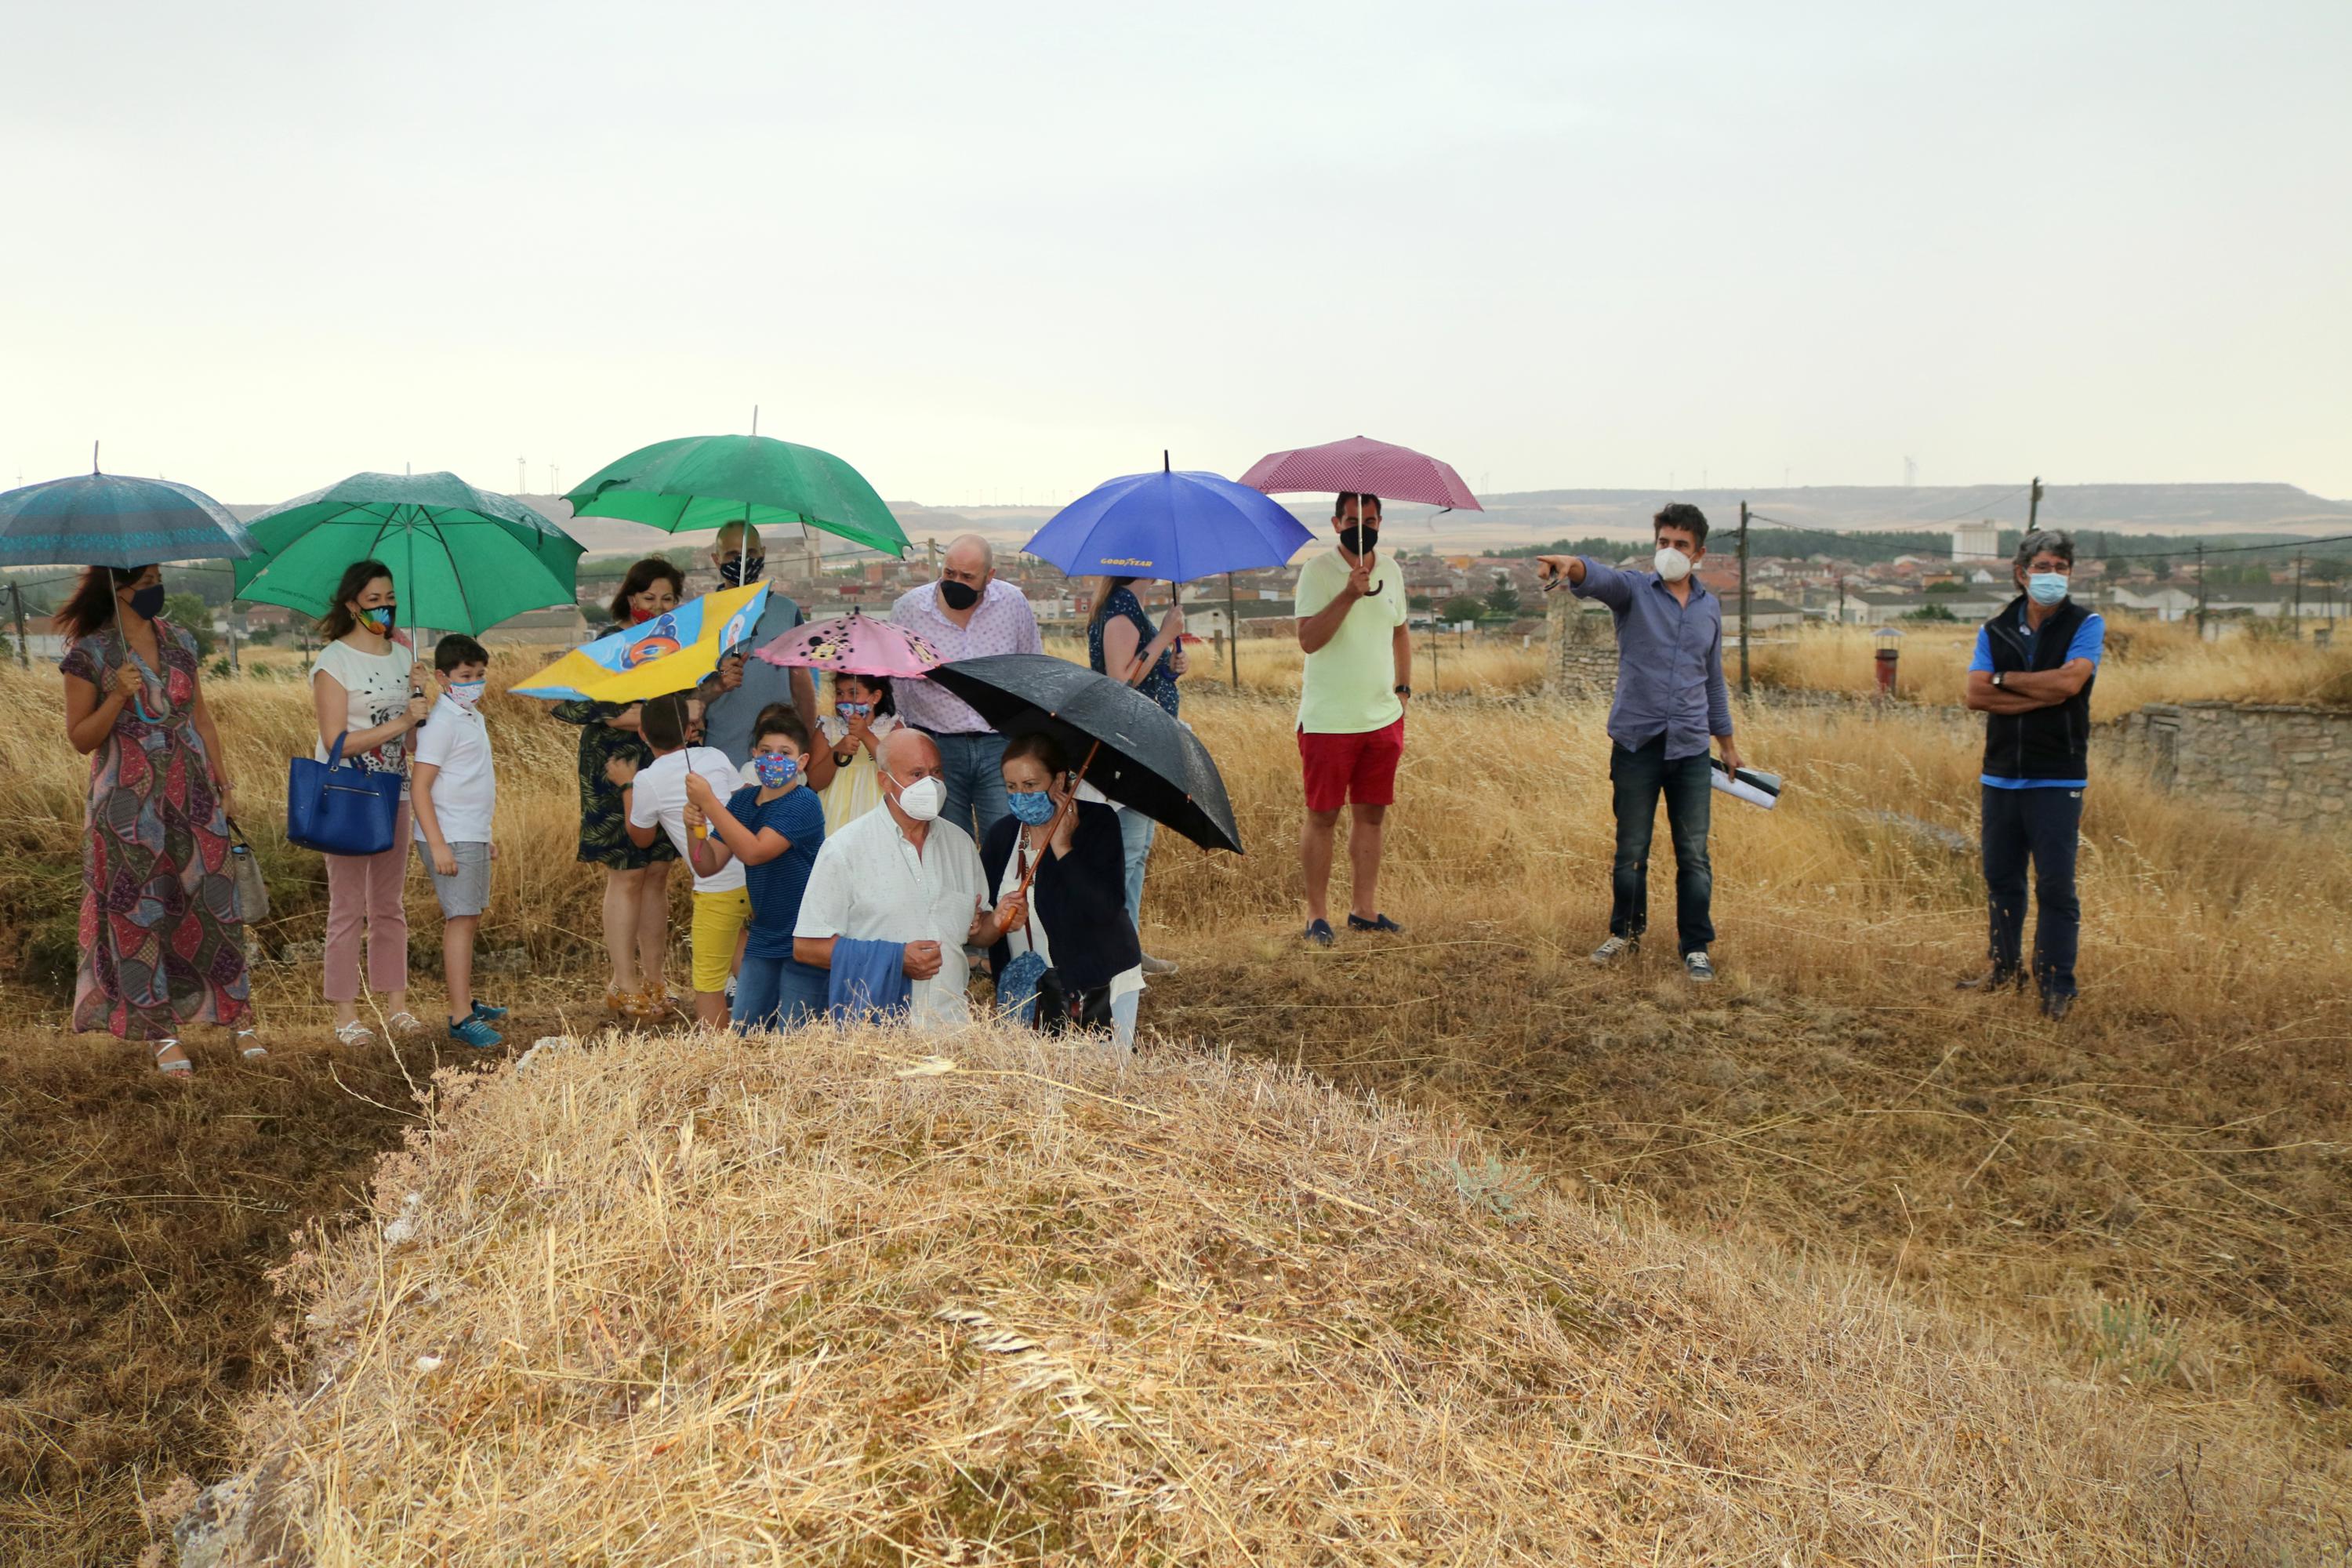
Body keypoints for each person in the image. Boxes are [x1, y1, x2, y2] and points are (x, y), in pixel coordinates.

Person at [55, 564, 256, 1074]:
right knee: (137, 912)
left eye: (158, 580)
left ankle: (233, 1014)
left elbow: (202, 718)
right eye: (145, 584)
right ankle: (160, 1033)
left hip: (192, 792)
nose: (156, 591)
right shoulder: (89, 654)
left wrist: (224, 783)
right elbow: (81, 739)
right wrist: (118, 694)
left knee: (211, 900)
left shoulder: (179, 638)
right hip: (126, 804)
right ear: (116, 589)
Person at [1536, 503, 1740, 983]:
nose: (1670, 552)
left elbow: (1713, 681)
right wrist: (1571, 565)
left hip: (1690, 747)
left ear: (1700, 553)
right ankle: (1625, 934)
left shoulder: (1710, 608)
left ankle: (1695, 947)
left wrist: (1727, 744)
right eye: (1663, 542)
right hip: (1636, 742)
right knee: (1631, 848)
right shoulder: (1635, 590)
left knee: (1694, 854)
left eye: (1681, 545)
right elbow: (1598, 577)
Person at [1960, 529, 2104, 1022]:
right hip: (2001, 775)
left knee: (2056, 886)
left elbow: (2069, 683)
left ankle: (2057, 983)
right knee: (2002, 881)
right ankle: (2004, 970)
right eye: (2042, 567)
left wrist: (2005, 681)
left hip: (2056, 775)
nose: (2052, 576)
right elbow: (1976, 695)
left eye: (2061, 567)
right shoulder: (1995, 629)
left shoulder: (2086, 624)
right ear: (2022, 574)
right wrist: (2034, 691)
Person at [794, 727, 1015, 1028]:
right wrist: (896, 959)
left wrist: (998, 922)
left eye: (936, 772)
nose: (931, 784)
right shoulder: (844, 848)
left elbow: (976, 934)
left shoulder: (961, 844)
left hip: (951, 1029)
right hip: (876, 1034)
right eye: (916, 774)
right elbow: (806, 946)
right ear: (885, 781)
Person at [548, 557, 686, 1022]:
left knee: (659, 870)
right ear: (631, 597)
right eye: (650, 598)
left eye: (668, 599)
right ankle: (623, 984)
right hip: (615, 765)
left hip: (664, 762)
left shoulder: (676, 644)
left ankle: (654, 980)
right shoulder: (610, 644)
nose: (658, 606)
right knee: (627, 871)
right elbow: (601, 711)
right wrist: (655, 715)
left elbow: (686, 705)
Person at [309, 559, 433, 1044]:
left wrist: (424, 706)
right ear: (351, 605)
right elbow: (336, 740)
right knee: (347, 906)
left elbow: (417, 745)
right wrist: (402, 722)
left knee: (389, 904)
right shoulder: (333, 662)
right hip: (345, 792)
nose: (385, 608)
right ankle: (344, 1014)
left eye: (389, 598)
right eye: (374, 601)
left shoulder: (405, 658)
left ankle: (396, 1005)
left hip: (396, 791)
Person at [1294, 492, 1411, 946]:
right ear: (1335, 522)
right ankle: (1317, 916)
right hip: (1328, 721)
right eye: (1351, 519)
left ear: (1381, 521)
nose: (1360, 525)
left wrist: (1402, 689)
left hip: (1382, 717)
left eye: (1369, 518)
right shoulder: (1317, 571)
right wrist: (1348, 593)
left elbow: (1400, 630)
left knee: (1372, 816)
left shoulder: (1393, 570)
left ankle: (1364, 910)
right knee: (1322, 816)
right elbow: (1308, 640)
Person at [979, 733, 1146, 1047]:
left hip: (1097, 985)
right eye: (1011, 787)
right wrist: (998, 921)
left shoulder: (1097, 823)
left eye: (1030, 785)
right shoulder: (1002, 835)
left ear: (1059, 780)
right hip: (1027, 987)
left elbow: (1105, 909)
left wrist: (1063, 848)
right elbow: (980, 921)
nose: (1020, 796)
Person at [684, 704, 829, 1032]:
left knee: (797, 1033)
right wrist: (694, 829)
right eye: (766, 751)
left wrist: (709, 803)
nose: (774, 758)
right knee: (747, 1032)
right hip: (765, 935)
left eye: (785, 752)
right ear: (754, 755)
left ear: (802, 761)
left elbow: (755, 852)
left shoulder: (804, 803)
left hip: (804, 937)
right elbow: (707, 864)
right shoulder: (741, 804)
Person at [889, 533, 1043, 844]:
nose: (955, 582)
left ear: (989, 576)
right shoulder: (910, 609)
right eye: (949, 573)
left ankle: (998, 894)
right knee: (947, 845)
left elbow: (1033, 669)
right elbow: (895, 678)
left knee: (1006, 840)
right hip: (936, 748)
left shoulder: (1013, 604)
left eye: (967, 576)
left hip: (1000, 745)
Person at [610, 691, 746, 1029]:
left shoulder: (647, 780)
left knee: (709, 977)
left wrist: (627, 787)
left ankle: (719, 1039)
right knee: (744, 943)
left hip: (716, 883)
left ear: (642, 734)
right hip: (753, 866)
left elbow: (641, 838)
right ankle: (767, 1017)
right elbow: (744, 799)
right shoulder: (714, 755)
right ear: (690, 730)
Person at [408, 633, 509, 1050]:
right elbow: (420, 789)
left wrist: (483, 836)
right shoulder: (442, 723)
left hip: (471, 833)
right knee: (461, 920)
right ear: (443, 678)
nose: (474, 682)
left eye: (480, 675)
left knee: (470, 916)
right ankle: (459, 1016)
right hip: (449, 836)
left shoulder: (472, 717)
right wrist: (438, 845)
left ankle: (465, 1000)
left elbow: (470, 782)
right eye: (466, 675)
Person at [1086, 575, 1186, 975]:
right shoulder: (1120, 613)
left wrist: (1170, 667)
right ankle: (1113, 952)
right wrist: (1163, 638)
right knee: (1126, 852)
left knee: (1138, 850)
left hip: (1145, 744)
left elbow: (1141, 673)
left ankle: (1129, 948)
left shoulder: (1129, 609)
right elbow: (1120, 680)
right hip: (1129, 746)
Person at [699, 521, 818, 764]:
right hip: (721, 757)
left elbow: (801, 684)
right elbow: (691, 697)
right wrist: (718, 684)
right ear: (716, 559)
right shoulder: (703, 615)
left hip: (779, 757)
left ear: (763, 553)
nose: (742, 561)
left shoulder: (787, 611)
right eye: (732, 554)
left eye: (750, 553)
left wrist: (807, 742)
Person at [813, 672, 901, 832]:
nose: (845, 699)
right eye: (839, 693)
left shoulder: (892, 728)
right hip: (836, 811)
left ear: (875, 697)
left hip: (878, 809)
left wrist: (865, 735)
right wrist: (837, 750)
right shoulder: (828, 729)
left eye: (853, 693)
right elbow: (815, 782)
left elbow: (897, 770)